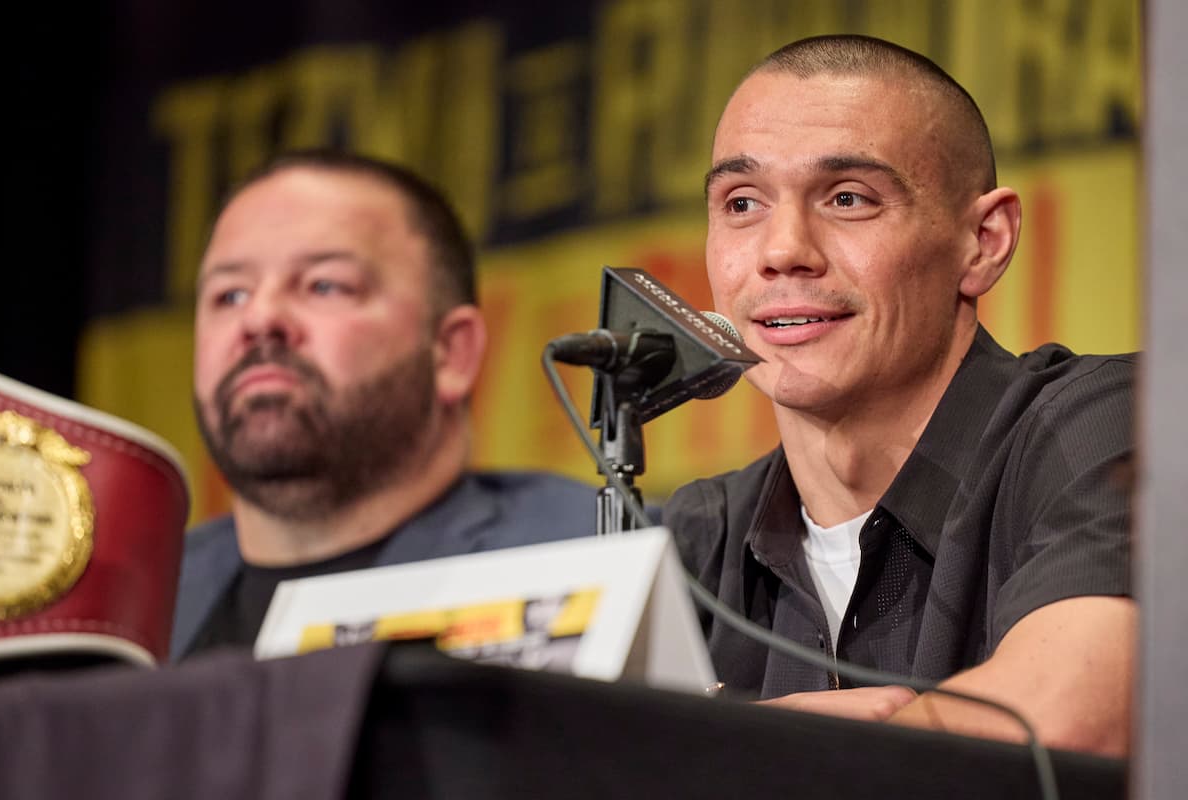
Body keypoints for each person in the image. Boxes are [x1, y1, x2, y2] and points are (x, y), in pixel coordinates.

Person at [665, 35, 1135, 757]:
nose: (781, 248)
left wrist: (722, 751)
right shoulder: (694, 539)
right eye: (742, 202)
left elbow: (1064, 724)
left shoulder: (1109, 425)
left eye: (849, 198)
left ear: (983, 240)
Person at [172, 150, 597, 659]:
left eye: (324, 285)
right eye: (230, 295)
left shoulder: (593, 556)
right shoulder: (124, 602)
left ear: (450, 353)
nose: (260, 318)